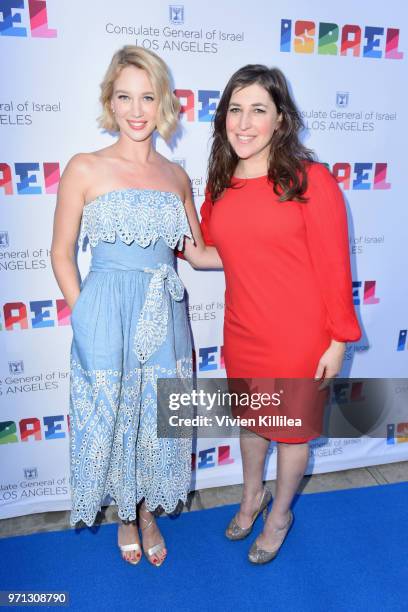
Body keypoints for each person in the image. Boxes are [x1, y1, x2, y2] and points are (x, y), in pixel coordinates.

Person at [51, 45, 221, 567]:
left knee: (158, 417)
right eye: (124, 96)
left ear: (164, 102)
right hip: (106, 314)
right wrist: (84, 316)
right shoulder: (84, 167)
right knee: (118, 416)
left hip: (164, 315)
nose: (136, 109)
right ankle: (126, 515)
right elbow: (60, 254)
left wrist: (273, 243)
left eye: (147, 96)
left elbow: (197, 254)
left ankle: (147, 513)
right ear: (110, 101)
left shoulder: (175, 177)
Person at [199, 64, 361, 564]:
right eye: (235, 109)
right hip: (243, 328)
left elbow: (335, 265)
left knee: (290, 433)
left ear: (281, 120)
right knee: (252, 424)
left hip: (300, 336)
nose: (244, 123)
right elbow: (211, 253)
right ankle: (252, 496)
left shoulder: (310, 180)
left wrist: (337, 340)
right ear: (223, 117)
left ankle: (280, 514)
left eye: (258, 111)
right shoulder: (220, 184)